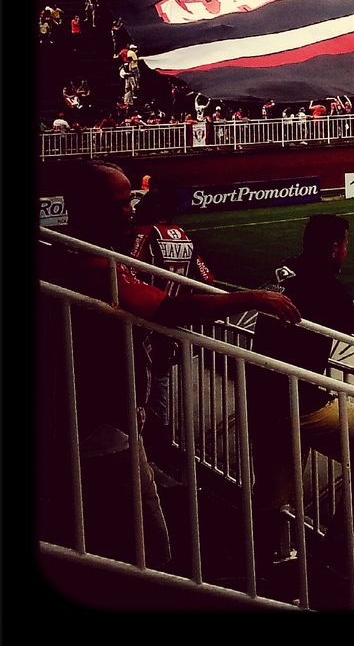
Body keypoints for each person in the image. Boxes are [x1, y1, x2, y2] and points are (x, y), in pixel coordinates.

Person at [40, 161, 300, 569]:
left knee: (131, 525)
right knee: (147, 542)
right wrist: (251, 298)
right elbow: (168, 307)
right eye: (120, 202)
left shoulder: (105, 251)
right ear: (89, 207)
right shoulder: (90, 261)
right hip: (99, 426)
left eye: (131, 200)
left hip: (112, 415)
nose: (129, 210)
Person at [250, 214, 354, 570]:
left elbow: (336, 313)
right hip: (298, 398)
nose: (346, 252)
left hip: (263, 390)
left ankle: (263, 562)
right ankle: (339, 535)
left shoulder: (289, 269)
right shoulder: (324, 281)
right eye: (345, 245)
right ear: (334, 248)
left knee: (273, 486)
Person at [128, 179, 217, 478]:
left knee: (139, 391)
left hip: (143, 324)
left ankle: (145, 455)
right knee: (161, 391)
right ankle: (160, 452)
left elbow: (129, 266)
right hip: (169, 325)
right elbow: (206, 279)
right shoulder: (184, 237)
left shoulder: (143, 233)